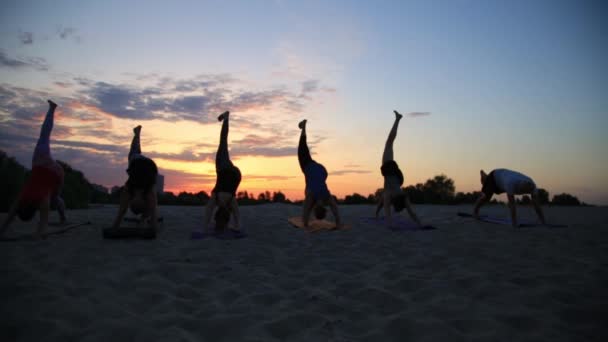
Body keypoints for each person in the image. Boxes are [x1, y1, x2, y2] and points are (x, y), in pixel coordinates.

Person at [0, 100, 66, 239]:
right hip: (42, 164)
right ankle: (52, 109)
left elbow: (43, 222)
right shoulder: (22, 197)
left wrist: (39, 232)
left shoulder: (41, 200)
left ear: (34, 210)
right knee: (44, 135)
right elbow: (11, 215)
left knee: (55, 197)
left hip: (56, 172)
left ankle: (63, 217)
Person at [375, 110, 421, 226]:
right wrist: (419, 225)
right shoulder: (390, 195)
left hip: (396, 175)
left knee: (390, 142)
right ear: (395, 203)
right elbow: (389, 215)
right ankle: (398, 119)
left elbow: (411, 213)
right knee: (389, 142)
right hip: (389, 170)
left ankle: (375, 213)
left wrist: (420, 223)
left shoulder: (402, 196)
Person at [109, 125, 160, 231]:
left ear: (131, 200)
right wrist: (152, 226)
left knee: (134, 153)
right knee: (134, 153)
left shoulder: (129, 189)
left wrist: (115, 227)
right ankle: (137, 134)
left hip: (143, 165)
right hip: (149, 167)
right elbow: (153, 210)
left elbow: (122, 211)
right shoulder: (147, 190)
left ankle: (137, 134)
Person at [297, 119, 342, 228]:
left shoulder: (327, 196)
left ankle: (304, 128)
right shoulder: (311, 196)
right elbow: (305, 211)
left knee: (315, 181)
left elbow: (335, 209)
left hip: (323, 171)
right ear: (315, 209)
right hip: (309, 167)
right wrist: (305, 224)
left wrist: (338, 222)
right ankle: (304, 127)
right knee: (302, 147)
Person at [203, 111, 241, 233]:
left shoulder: (231, 201)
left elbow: (237, 215)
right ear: (217, 213)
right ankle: (226, 119)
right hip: (225, 170)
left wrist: (236, 226)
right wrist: (206, 225)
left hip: (236, 175)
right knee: (223, 141)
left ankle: (226, 118)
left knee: (223, 142)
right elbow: (208, 212)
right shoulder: (215, 197)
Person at [474, 168, 546, 227]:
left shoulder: (533, 186)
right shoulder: (511, 183)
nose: (528, 191)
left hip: (501, 181)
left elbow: (537, 205)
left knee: (495, 190)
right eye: (526, 189)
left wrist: (543, 221)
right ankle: (475, 212)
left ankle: (484, 176)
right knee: (486, 197)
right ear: (521, 186)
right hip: (494, 177)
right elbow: (512, 205)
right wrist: (514, 223)